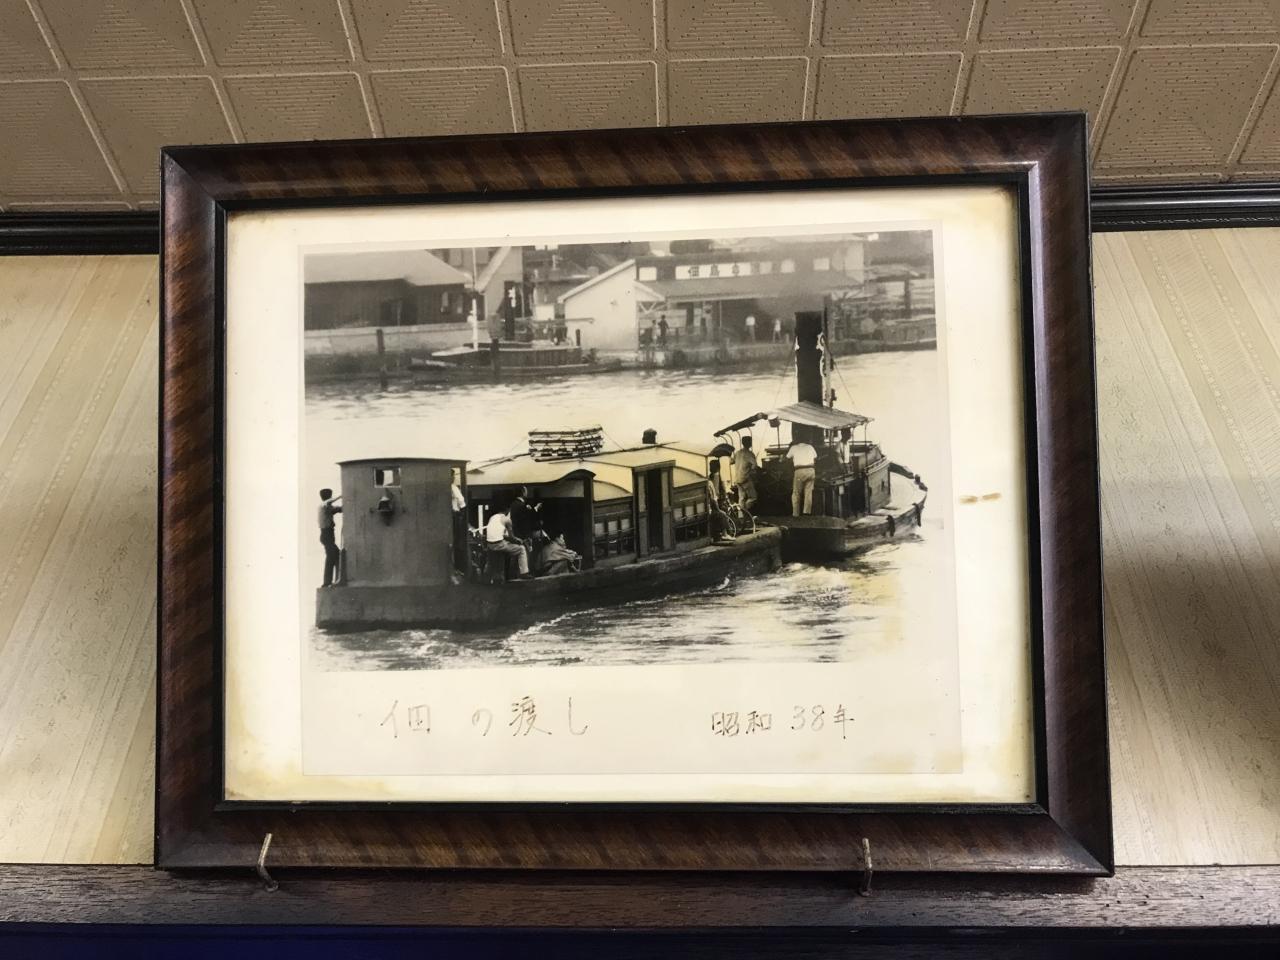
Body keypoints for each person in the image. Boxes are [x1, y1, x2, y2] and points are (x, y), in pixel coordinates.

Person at [484, 504, 531, 579]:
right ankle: (524, 573)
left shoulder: (492, 517)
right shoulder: (507, 519)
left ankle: (488, 577)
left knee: (495, 556)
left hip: (489, 545)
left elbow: (497, 534)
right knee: (521, 549)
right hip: (499, 545)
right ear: (507, 510)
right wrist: (518, 540)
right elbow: (512, 537)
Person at [317, 488, 342, 587]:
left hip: (327, 536)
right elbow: (328, 503)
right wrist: (341, 496)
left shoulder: (327, 508)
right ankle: (328, 582)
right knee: (332, 557)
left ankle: (334, 580)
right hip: (327, 535)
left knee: (335, 556)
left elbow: (338, 509)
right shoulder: (323, 506)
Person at [787, 438, 818, 516]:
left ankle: (796, 513)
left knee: (796, 493)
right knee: (808, 492)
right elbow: (815, 457)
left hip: (800, 470)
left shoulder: (793, 447)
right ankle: (807, 512)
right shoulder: (810, 447)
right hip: (811, 470)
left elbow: (787, 458)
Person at [730, 436, 758, 513]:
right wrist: (752, 471)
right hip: (745, 479)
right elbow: (755, 465)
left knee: (741, 498)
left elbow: (731, 462)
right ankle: (745, 510)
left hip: (737, 479)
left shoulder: (737, 453)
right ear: (749, 443)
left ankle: (741, 514)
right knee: (753, 497)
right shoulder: (749, 454)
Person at [706, 460, 732, 542]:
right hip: (717, 500)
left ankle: (721, 533)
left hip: (714, 500)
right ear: (718, 467)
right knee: (723, 513)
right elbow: (719, 491)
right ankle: (725, 533)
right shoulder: (717, 476)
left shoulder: (710, 477)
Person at [450, 469, 468, 572]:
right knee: (455, 541)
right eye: (452, 476)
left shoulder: (453, 488)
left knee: (456, 541)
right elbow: (462, 503)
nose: (453, 478)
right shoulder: (451, 488)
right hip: (452, 516)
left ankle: (457, 567)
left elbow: (462, 504)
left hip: (454, 515)